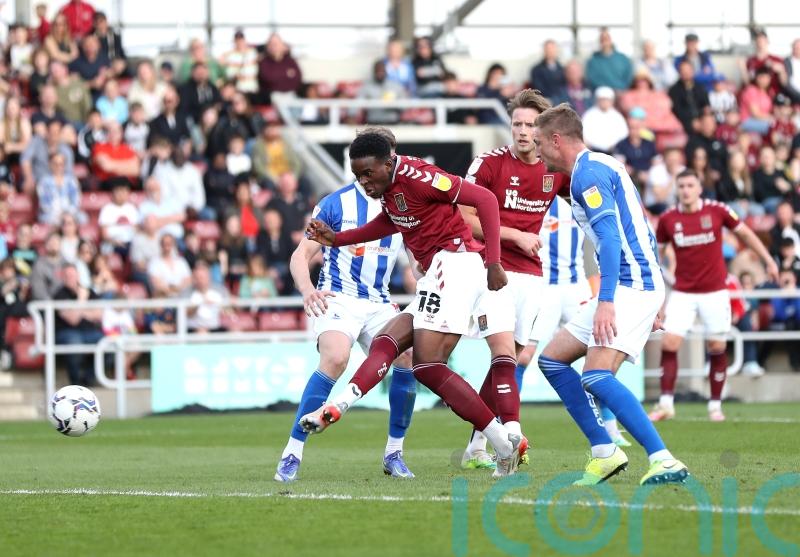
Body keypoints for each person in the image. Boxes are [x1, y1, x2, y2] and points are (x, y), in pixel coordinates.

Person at [300, 131, 528, 479]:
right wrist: (339, 239)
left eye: (368, 174)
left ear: (388, 162)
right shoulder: (388, 191)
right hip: (439, 273)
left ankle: (501, 438)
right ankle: (339, 405)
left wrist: (495, 261)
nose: (364, 182)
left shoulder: (420, 176)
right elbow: (388, 222)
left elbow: (484, 199)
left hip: (455, 263)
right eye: (357, 175)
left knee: (428, 365)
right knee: (388, 341)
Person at [532, 103, 688, 485]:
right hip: (640, 282)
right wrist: (655, 294)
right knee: (552, 361)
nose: (537, 152)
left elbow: (612, 238)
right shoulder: (603, 164)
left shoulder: (588, 176)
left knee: (597, 375)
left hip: (629, 285)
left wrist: (607, 301)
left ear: (556, 140)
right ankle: (604, 451)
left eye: (539, 143)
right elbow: (642, 230)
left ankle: (664, 458)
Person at [275, 127, 420, 482]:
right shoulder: (336, 203)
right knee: (336, 358)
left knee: (407, 357)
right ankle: (292, 452)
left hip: (379, 302)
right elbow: (300, 256)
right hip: (339, 298)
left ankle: (394, 452)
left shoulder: (405, 203)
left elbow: (416, 260)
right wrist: (308, 289)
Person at [457, 89, 572, 469]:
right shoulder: (489, 164)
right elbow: (463, 217)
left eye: (529, 125)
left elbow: (586, 199)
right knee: (504, 355)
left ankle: (477, 446)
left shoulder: (554, 170)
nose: (522, 132)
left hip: (532, 274)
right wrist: (513, 236)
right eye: (517, 124)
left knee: (517, 357)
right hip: (492, 270)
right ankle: (510, 435)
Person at [649, 170, 779, 423]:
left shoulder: (717, 211)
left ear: (699, 188)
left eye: (690, 185)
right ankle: (666, 404)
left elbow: (746, 234)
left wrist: (768, 261)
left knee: (717, 346)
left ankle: (715, 406)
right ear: (677, 189)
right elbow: (657, 256)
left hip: (715, 292)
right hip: (683, 292)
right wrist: (656, 292)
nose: (686, 190)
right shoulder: (668, 219)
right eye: (682, 185)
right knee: (669, 343)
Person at [531, 195, 631, 447]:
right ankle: (509, 426)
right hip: (544, 288)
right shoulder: (534, 198)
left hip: (576, 286)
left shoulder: (577, 198)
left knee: (601, 351)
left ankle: (610, 427)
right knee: (522, 355)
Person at [54, 263, 103, 386]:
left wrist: (78, 310)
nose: (70, 278)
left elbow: (99, 315)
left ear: (78, 276)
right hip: (67, 332)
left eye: (72, 275)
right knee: (74, 342)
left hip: (89, 331)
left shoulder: (88, 291)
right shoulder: (60, 294)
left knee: (106, 343)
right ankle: (75, 382)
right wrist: (82, 301)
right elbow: (73, 320)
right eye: (67, 275)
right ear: (62, 277)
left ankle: (87, 379)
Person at [37, 152, 81, 225]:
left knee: (81, 218)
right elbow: (44, 204)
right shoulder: (44, 182)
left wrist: (66, 214)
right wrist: (59, 214)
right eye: (55, 164)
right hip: (51, 215)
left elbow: (75, 201)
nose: (58, 167)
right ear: (50, 164)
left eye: (61, 164)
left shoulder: (72, 181)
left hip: (69, 214)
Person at [98, 179, 139, 257]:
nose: (121, 194)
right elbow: (104, 234)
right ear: (113, 193)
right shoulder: (107, 209)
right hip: (113, 244)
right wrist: (115, 242)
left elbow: (137, 229)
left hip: (131, 243)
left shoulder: (132, 208)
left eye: (123, 191)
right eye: (118, 191)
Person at [257, 33, 302, 104]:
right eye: (271, 44)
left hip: (291, 94)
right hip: (273, 96)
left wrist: (278, 76)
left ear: (283, 46)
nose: (273, 47)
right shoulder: (264, 62)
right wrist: (286, 75)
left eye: (276, 44)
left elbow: (297, 79)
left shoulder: (290, 61)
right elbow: (268, 78)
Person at [581, 87, 628, 154]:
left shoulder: (618, 116)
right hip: (592, 151)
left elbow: (624, 136)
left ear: (612, 101)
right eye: (602, 100)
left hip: (613, 152)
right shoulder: (589, 115)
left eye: (607, 100)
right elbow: (582, 134)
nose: (604, 102)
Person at [668, 60, 710, 134]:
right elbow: (677, 110)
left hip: (702, 119)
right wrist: (692, 121)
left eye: (688, 70)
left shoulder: (700, 87)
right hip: (685, 121)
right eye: (683, 70)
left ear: (693, 71)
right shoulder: (674, 90)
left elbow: (706, 105)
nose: (686, 73)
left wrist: (704, 118)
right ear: (679, 72)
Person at [743, 28, 787, 98]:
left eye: (762, 41)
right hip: (755, 96)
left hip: (774, 95)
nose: (760, 43)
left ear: (767, 41)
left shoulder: (776, 59)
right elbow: (747, 83)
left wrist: (781, 71)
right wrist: (743, 68)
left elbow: (784, 83)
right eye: (758, 41)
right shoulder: (750, 60)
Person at [186, 262, 230, 333]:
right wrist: (199, 304)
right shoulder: (187, 292)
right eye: (197, 278)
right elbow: (184, 313)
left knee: (236, 333)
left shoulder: (221, 290)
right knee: (202, 333)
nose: (200, 280)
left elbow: (229, 310)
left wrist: (218, 306)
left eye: (202, 277)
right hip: (194, 328)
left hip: (217, 327)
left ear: (208, 277)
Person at [221, 29, 259, 97]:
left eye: (241, 39)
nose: (239, 42)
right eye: (237, 40)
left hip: (253, 88)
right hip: (239, 89)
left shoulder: (252, 53)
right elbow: (229, 74)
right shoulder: (230, 55)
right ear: (234, 41)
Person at [92, 11, 126, 77]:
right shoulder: (91, 38)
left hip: (114, 63)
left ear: (106, 22)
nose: (100, 25)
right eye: (97, 23)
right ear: (94, 24)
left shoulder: (115, 36)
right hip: (98, 65)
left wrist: (122, 62)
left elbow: (121, 52)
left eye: (101, 22)